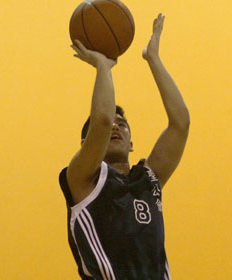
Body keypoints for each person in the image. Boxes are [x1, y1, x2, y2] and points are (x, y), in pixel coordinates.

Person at [59, 14, 189, 280]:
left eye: (124, 124)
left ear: (132, 144)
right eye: (111, 126)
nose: (116, 127)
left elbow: (180, 123)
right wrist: (103, 68)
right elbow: (102, 121)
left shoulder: (148, 180)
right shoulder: (82, 179)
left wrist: (153, 59)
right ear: (86, 144)